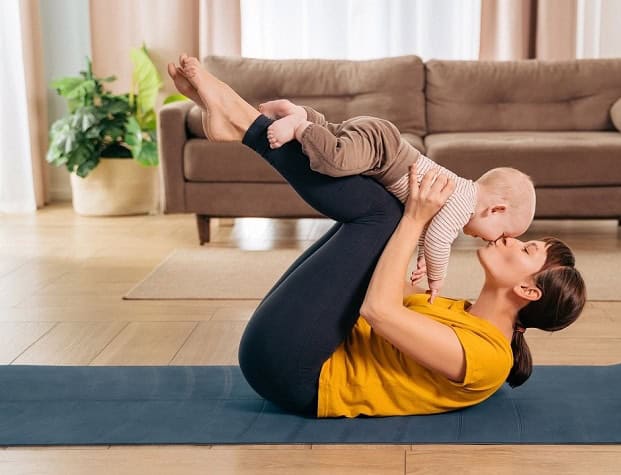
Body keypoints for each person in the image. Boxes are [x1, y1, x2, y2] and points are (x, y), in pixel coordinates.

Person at [167, 54, 586, 419]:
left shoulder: (489, 359)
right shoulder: (462, 310)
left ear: (529, 291)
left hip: (297, 373)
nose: (510, 240)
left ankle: (246, 124)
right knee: (387, 210)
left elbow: (378, 311)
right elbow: (378, 279)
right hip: (300, 346)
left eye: (527, 247)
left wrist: (415, 222)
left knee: (390, 216)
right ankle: (244, 120)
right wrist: (412, 236)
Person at [256, 99, 536, 303]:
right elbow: (440, 239)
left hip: (380, 142)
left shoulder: (460, 196)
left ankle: (301, 113)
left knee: (335, 138)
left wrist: (425, 259)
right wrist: (437, 277)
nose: (493, 241)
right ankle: (300, 125)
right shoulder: (464, 204)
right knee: (333, 161)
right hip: (382, 150)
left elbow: (431, 229)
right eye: (500, 234)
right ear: (496, 209)